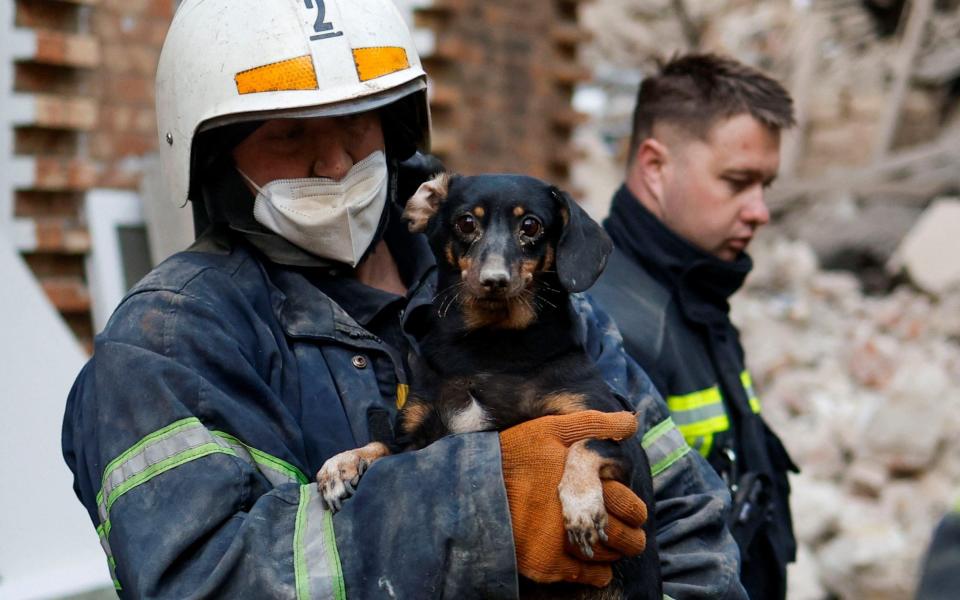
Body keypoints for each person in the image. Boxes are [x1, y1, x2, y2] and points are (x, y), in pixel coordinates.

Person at [61, 2, 746, 597]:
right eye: (290, 133)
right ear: (213, 157)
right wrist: (481, 503)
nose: (333, 163)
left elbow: (687, 523)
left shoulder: (533, 297)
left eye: (355, 125)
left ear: (394, 126)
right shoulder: (168, 341)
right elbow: (197, 580)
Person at [589, 53, 799, 599]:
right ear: (655, 167)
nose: (760, 210)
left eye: (766, 186)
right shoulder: (609, 326)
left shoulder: (695, 296)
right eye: (738, 181)